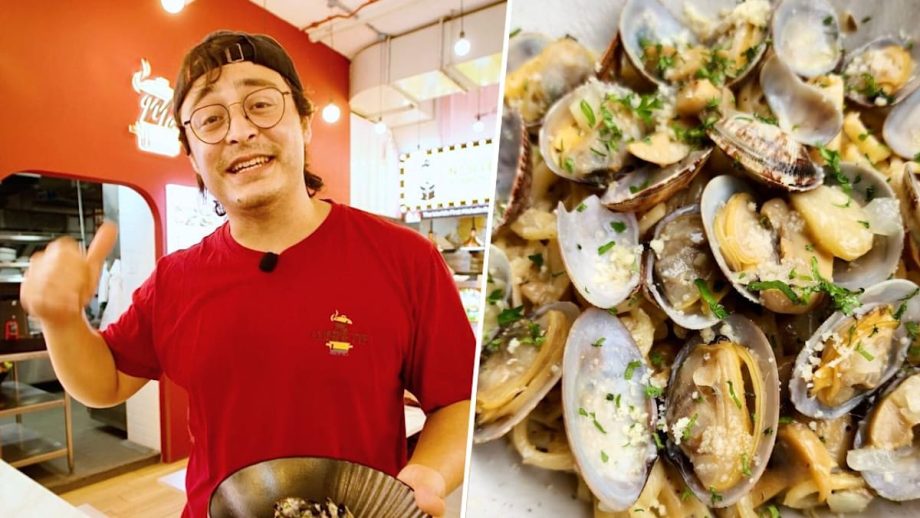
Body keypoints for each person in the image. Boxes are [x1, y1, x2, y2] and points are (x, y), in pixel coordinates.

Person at [19, 31, 475, 518]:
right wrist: (62, 320)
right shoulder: (176, 278)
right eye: (211, 119)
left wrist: (428, 474)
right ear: (192, 155)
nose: (238, 132)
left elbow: (461, 400)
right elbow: (106, 382)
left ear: (303, 123)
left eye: (260, 105)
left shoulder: (404, 257)